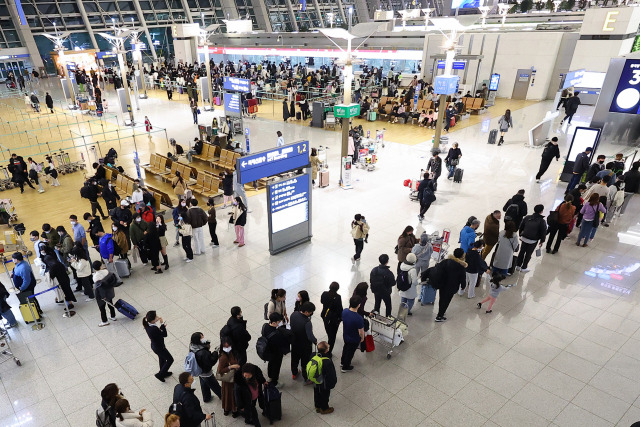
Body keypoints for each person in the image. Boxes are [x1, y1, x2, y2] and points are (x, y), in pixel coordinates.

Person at [434, 248, 467, 322]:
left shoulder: (446, 261)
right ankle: (439, 316)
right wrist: (463, 286)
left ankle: (441, 311)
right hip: (452, 286)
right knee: (447, 300)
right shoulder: (460, 266)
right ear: (462, 256)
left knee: (442, 299)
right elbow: (463, 278)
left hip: (442, 284)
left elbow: (437, 267)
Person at [189, 332, 222, 402]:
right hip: (206, 372)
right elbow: (210, 362)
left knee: (204, 383)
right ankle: (223, 396)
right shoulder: (203, 353)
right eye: (201, 337)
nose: (203, 337)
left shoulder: (192, 346)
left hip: (199, 370)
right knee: (215, 385)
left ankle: (206, 398)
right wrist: (215, 352)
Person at [143, 311, 174, 382]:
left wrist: (161, 328)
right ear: (153, 320)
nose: (158, 317)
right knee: (170, 360)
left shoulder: (148, 325)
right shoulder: (154, 329)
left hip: (155, 346)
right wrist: (162, 324)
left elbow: (158, 333)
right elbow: (164, 334)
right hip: (160, 348)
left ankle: (164, 372)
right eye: (156, 317)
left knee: (162, 358)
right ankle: (160, 374)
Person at [515, 204, 547, 273]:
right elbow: (543, 232)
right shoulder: (542, 221)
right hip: (533, 240)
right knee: (528, 254)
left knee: (522, 252)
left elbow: (521, 227)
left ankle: (518, 265)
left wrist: (521, 235)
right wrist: (542, 241)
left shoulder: (527, 217)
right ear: (541, 211)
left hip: (524, 238)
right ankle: (524, 267)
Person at [290, 301, 316, 384]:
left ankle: (294, 373)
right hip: (305, 346)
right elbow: (310, 336)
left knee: (294, 359)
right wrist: (315, 340)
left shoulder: (293, 314)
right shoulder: (307, 322)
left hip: (294, 342)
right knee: (305, 362)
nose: (312, 313)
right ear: (306, 312)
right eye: (311, 312)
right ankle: (306, 378)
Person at [262, 312, 291, 386]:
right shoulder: (276, 334)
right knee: (276, 366)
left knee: (271, 364)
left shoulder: (265, 326)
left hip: (268, 351)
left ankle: (270, 376)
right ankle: (274, 381)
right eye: (279, 322)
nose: (280, 323)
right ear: (274, 322)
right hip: (276, 353)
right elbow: (281, 344)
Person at [340, 296, 365, 372]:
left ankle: (342, 362)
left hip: (346, 335)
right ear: (358, 305)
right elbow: (361, 332)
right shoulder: (359, 318)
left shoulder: (345, 311)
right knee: (350, 353)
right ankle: (345, 367)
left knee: (346, 348)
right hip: (354, 338)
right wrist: (362, 338)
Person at [217, 337, 241, 417]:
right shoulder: (223, 357)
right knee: (231, 395)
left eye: (228, 346)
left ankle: (227, 409)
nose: (227, 348)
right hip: (229, 380)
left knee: (228, 395)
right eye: (225, 347)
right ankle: (233, 410)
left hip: (231, 379)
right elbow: (220, 370)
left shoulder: (232, 353)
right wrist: (231, 367)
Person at [312, 341, 337, 415]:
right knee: (325, 395)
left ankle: (317, 406)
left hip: (315, 379)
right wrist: (332, 383)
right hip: (324, 382)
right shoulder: (327, 361)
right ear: (326, 350)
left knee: (316, 392)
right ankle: (324, 408)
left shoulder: (313, 355)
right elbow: (331, 374)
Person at [92, 261, 118, 326]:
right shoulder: (106, 271)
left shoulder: (95, 277)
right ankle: (113, 316)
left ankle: (104, 321)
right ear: (101, 266)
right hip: (109, 291)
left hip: (101, 294)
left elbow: (98, 287)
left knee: (102, 307)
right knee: (110, 304)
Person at [320, 282, 342, 356]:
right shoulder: (338, 297)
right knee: (332, 337)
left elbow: (322, 301)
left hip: (325, 315)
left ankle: (329, 334)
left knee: (327, 327)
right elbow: (339, 309)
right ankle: (329, 352)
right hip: (334, 318)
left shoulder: (324, 294)